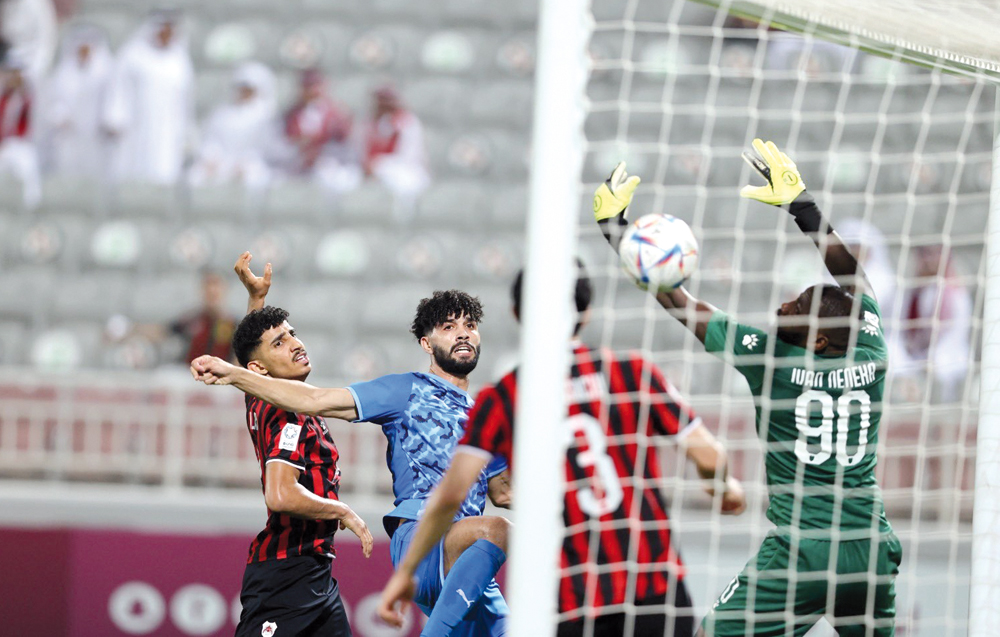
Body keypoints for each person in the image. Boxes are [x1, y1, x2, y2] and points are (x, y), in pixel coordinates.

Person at [592, 139, 901, 636]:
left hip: (802, 549)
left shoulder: (770, 360)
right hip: (869, 546)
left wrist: (617, 232)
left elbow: (683, 306)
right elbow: (856, 282)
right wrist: (803, 207)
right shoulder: (872, 351)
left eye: (797, 309)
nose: (783, 308)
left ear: (819, 338)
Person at [378, 261, 748, 636]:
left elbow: (449, 496)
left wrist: (407, 572)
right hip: (654, 584)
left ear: (518, 314)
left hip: (575, 598)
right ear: (586, 314)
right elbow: (709, 454)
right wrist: (725, 490)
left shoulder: (504, 398)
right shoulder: (633, 372)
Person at [190, 269, 511, 636]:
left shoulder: (486, 414)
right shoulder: (401, 390)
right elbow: (301, 406)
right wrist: (231, 372)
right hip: (396, 545)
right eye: (449, 327)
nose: (463, 333)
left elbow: (503, 492)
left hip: (324, 571)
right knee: (500, 530)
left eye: (470, 325)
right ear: (426, 342)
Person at [221, 256, 373, 637]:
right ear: (260, 369)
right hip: (285, 576)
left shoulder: (264, 394)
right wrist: (341, 509)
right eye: (280, 342)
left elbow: (251, 357)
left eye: (291, 333)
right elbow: (281, 494)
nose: (295, 344)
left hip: (315, 574)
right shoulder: (286, 411)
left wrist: (256, 300)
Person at [103, 9, 194, 184]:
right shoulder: (133, 54)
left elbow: (185, 100)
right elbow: (119, 88)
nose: (166, 35)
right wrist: (115, 117)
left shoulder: (180, 60)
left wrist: (186, 132)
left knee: (164, 170)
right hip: (136, 127)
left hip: (168, 129)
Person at [188, 61, 278, 191]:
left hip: (250, 165)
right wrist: (211, 157)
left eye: (249, 90)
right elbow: (210, 140)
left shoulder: (266, 116)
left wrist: (245, 162)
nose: (244, 93)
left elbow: (265, 149)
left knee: (252, 178)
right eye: (242, 89)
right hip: (221, 163)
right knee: (196, 175)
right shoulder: (223, 113)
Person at [902, 243, 973, 404]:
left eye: (933, 255)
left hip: (948, 353)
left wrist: (930, 354)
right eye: (924, 255)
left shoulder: (955, 294)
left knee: (938, 365)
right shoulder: (913, 293)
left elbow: (955, 335)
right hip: (916, 353)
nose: (928, 261)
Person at [44, 23, 113, 178]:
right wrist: (60, 116)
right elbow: (55, 101)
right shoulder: (63, 73)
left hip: (96, 135)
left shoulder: (106, 72)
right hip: (70, 136)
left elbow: (113, 102)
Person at [281, 68, 355, 186]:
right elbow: (282, 142)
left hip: (327, 163)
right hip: (296, 162)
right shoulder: (290, 114)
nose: (311, 90)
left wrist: (319, 152)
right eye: (307, 86)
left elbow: (344, 144)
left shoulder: (337, 114)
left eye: (314, 85)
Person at [360, 84, 430, 206]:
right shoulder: (370, 123)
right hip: (379, 173)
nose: (382, 104)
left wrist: (378, 165)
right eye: (380, 100)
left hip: (407, 171)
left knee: (403, 185)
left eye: (386, 100)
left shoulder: (407, 122)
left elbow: (408, 157)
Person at [0, 51, 41, 208]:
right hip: (3, 146)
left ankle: (31, 210)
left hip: (21, 144)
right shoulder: (4, 96)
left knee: (29, 178)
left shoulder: (25, 95)